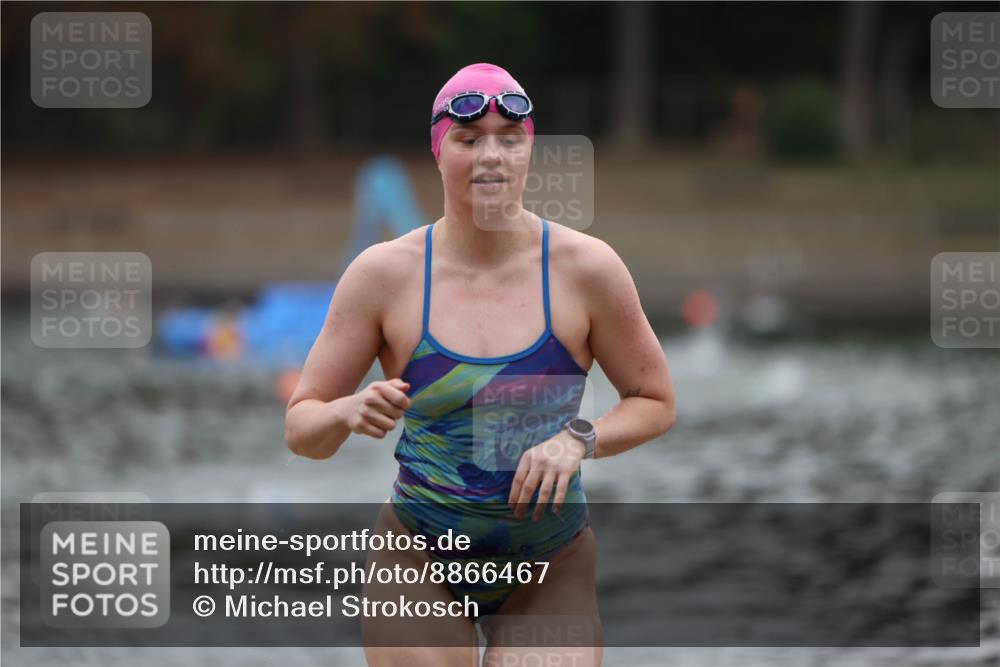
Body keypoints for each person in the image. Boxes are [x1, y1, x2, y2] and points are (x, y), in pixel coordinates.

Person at [285, 63, 676, 667]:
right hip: (418, 557)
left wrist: (579, 438)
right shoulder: (383, 275)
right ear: (440, 151)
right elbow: (302, 430)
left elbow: (655, 401)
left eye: (509, 139)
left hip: (552, 563)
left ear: (529, 152)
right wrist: (344, 408)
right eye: (470, 140)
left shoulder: (587, 269)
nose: (491, 155)